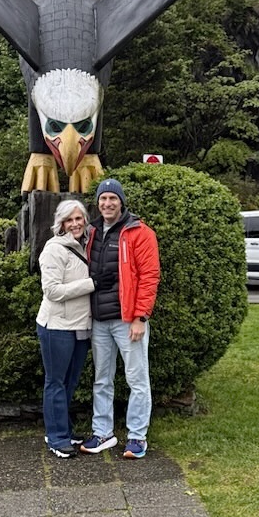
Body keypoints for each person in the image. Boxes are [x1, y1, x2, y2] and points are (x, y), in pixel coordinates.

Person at [81, 178, 160, 459]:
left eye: (112, 198)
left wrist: (141, 316)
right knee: (102, 379)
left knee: (137, 379)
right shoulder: (91, 232)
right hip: (99, 320)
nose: (107, 203)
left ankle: (137, 436)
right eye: (103, 199)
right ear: (98, 203)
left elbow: (150, 276)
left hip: (128, 321)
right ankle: (102, 433)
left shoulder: (140, 232)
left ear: (121, 202)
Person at [37, 200, 95, 458]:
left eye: (78, 218)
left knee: (70, 382)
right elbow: (52, 291)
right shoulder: (54, 249)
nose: (75, 224)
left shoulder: (87, 245)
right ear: (60, 224)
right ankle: (56, 437)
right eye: (69, 220)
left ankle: (64, 430)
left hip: (80, 326)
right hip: (57, 326)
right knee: (56, 382)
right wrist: (91, 283)